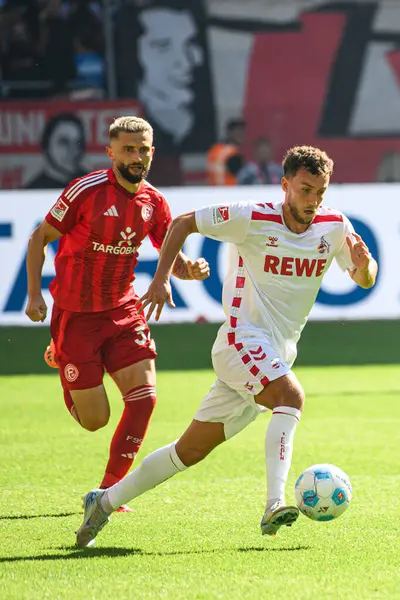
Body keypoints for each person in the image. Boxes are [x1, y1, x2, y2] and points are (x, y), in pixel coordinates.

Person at [75, 145, 377, 547]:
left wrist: (363, 263)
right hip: (241, 341)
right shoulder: (252, 217)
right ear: (285, 185)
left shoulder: (334, 226)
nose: (313, 200)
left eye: (320, 192)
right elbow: (182, 223)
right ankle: (273, 505)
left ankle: (104, 502)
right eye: (305, 190)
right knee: (291, 397)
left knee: (189, 450)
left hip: (276, 353)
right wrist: (162, 278)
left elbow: (364, 279)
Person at [25, 116, 210, 512]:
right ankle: (62, 355)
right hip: (76, 316)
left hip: (124, 310)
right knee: (95, 421)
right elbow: (39, 236)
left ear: (152, 152)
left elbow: (168, 252)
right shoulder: (85, 191)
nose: (137, 156)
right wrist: (34, 296)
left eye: (143, 149)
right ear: (111, 153)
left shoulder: (154, 202)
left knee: (144, 399)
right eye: (128, 149)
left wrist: (186, 270)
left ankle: (110, 492)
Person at [26, 113, 87, 189]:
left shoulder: (92, 185)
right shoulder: (32, 192)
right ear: (46, 144)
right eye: (64, 142)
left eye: (78, 143)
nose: (73, 150)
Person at [207, 119, 246, 186]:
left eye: (243, 132)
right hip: (229, 191)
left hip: (214, 192)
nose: (242, 135)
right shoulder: (233, 154)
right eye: (238, 132)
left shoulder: (215, 149)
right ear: (230, 133)